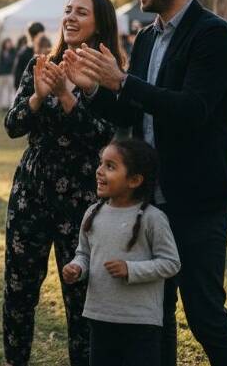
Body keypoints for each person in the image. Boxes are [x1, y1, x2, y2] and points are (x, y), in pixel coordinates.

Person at [64, 0, 227, 366]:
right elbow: (132, 108)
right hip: (149, 200)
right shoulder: (146, 38)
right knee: (155, 318)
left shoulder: (213, 34)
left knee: (204, 315)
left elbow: (193, 110)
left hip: (198, 199)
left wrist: (122, 81)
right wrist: (93, 90)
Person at [3, 0, 124, 366]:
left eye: (81, 12)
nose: (70, 17)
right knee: (19, 293)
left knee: (81, 299)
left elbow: (104, 138)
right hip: (30, 194)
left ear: (99, 24)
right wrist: (38, 97)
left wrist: (68, 97)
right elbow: (12, 125)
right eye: (68, 10)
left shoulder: (110, 73)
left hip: (83, 198)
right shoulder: (41, 64)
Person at [62, 138, 180, 366]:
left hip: (141, 322)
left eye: (110, 166)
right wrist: (77, 268)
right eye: (101, 163)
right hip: (100, 316)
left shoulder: (153, 218)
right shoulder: (92, 213)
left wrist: (131, 269)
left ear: (134, 180)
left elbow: (171, 262)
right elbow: (84, 253)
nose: (99, 171)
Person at [12, 22, 45, 90]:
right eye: (42, 35)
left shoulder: (44, 52)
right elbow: (18, 76)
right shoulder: (24, 53)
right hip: (29, 90)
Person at [0, 37, 17, 110]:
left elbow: (11, 62)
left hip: (9, 73)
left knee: (10, 90)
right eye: (7, 43)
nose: (8, 45)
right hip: (1, 74)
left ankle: (10, 105)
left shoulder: (13, 52)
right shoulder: (1, 52)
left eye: (9, 43)